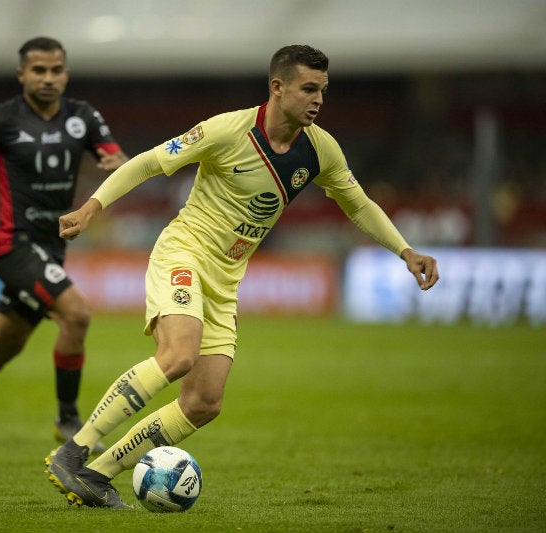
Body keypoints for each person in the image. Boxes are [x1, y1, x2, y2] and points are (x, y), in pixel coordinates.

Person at [45, 44, 440, 508]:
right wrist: (93, 206)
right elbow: (151, 162)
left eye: (323, 91)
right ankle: (74, 451)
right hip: (184, 254)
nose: (318, 100)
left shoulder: (321, 150)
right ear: (278, 87)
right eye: (308, 88)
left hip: (226, 280)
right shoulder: (226, 130)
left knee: (204, 403)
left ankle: (98, 473)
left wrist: (405, 249)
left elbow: (358, 203)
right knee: (177, 356)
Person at [0, 37, 128, 458]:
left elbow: (116, 157)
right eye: (39, 70)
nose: (48, 78)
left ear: (66, 73)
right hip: (13, 244)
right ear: (22, 74)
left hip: (51, 250)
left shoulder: (83, 116)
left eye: (56, 70)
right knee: (77, 314)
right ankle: (68, 420)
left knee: (6, 344)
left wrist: (117, 163)